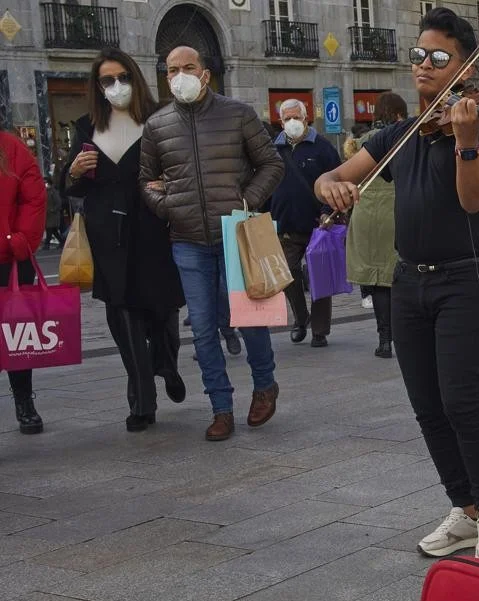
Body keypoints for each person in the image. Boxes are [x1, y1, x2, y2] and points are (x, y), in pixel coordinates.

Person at [314, 7, 479, 561]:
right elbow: (331, 176)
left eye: (440, 57)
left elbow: (473, 199)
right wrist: (329, 188)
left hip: (466, 278)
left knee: (461, 398)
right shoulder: (401, 133)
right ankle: (464, 509)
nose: (425, 66)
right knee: (426, 403)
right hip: (409, 282)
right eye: (419, 55)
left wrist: (467, 139)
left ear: (463, 66)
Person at [140, 45, 285, 442]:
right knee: (203, 330)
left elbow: (272, 163)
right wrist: (167, 206)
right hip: (187, 241)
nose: (181, 74)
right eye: (173, 69)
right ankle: (221, 408)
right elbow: (145, 181)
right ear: (165, 76)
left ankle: (265, 385)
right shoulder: (157, 126)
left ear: (205, 73)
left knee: (248, 316)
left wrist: (248, 200)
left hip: (236, 234)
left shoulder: (237, 113)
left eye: (189, 66)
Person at [65, 48, 187, 432]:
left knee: (164, 309)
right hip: (108, 235)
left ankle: (166, 362)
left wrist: (169, 183)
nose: (116, 86)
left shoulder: (159, 119)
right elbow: (66, 185)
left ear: (135, 78)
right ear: (97, 86)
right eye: (107, 80)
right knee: (124, 316)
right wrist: (73, 172)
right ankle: (141, 401)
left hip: (153, 227)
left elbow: (182, 168)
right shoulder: (87, 127)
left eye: (122, 77)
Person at [270, 98, 342, 348]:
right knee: (287, 274)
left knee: (319, 278)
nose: (291, 122)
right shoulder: (273, 149)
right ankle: (301, 319)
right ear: (280, 122)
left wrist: (327, 211)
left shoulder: (322, 147)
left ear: (306, 118)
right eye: (286, 118)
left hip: (318, 225)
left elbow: (338, 180)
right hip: (285, 225)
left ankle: (320, 331)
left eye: (295, 117)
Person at [348, 91, 405, 359]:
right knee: (402, 276)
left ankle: (385, 339)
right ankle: (406, 333)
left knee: (380, 280)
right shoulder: (405, 138)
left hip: (367, 216)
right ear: (398, 115)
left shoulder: (360, 144)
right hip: (397, 212)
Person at [0, 130, 48, 434]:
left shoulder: (12, 148)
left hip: (10, 259)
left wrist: (18, 242)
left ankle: (24, 401)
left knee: (18, 336)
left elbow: (33, 198)